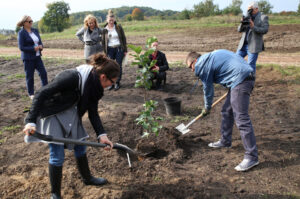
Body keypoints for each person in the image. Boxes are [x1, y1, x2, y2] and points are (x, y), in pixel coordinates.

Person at [22, 53, 119, 199]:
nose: (112, 85)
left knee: (81, 145)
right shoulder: (72, 77)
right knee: (57, 154)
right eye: (112, 82)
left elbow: (93, 112)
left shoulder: (95, 87)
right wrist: (30, 121)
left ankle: (87, 178)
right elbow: (41, 94)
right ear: (103, 76)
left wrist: (102, 135)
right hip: (54, 113)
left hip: (71, 112)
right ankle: (55, 194)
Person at [186, 49, 259, 172]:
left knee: (241, 118)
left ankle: (252, 157)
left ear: (195, 61)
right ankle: (225, 141)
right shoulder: (212, 55)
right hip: (241, 78)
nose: (192, 70)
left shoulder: (201, 65)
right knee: (226, 110)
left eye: (190, 67)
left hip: (240, 80)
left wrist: (207, 107)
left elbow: (208, 90)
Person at [17, 15, 48, 100]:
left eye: (32, 21)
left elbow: (39, 41)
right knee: (30, 76)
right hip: (28, 58)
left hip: (38, 57)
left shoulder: (35, 30)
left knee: (43, 73)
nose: (31, 22)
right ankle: (31, 94)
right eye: (29, 21)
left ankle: (45, 91)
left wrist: (41, 46)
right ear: (24, 23)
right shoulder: (21, 33)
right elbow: (21, 47)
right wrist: (33, 48)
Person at [236, 1, 269, 74]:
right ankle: (239, 78)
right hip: (243, 45)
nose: (249, 11)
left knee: (250, 65)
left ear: (256, 9)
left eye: (251, 9)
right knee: (235, 61)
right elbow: (239, 30)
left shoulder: (263, 17)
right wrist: (242, 23)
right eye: (248, 9)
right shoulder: (247, 16)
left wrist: (253, 27)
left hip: (253, 45)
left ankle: (250, 82)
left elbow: (265, 30)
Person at [103, 10, 127, 91]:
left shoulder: (118, 27)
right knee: (110, 66)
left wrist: (125, 49)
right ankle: (111, 83)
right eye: (109, 20)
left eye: (112, 20)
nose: (111, 21)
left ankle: (117, 82)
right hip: (109, 49)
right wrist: (105, 52)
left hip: (119, 48)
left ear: (114, 20)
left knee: (118, 65)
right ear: (107, 20)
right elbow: (103, 42)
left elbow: (124, 38)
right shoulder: (104, 29)